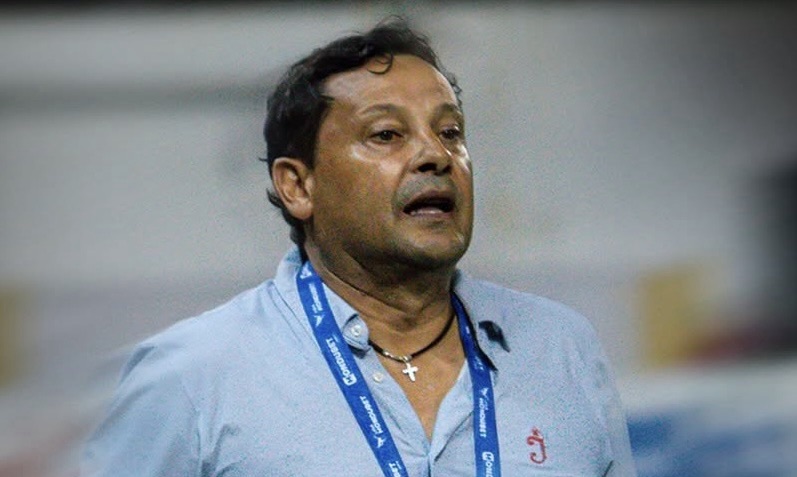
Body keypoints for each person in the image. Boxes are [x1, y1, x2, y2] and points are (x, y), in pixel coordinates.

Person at [81, 17, 637, 477]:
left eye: (450, 132)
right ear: (298, 186)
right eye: (386, 134)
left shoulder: (562, 349)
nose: (436, 156)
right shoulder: (189, 376)